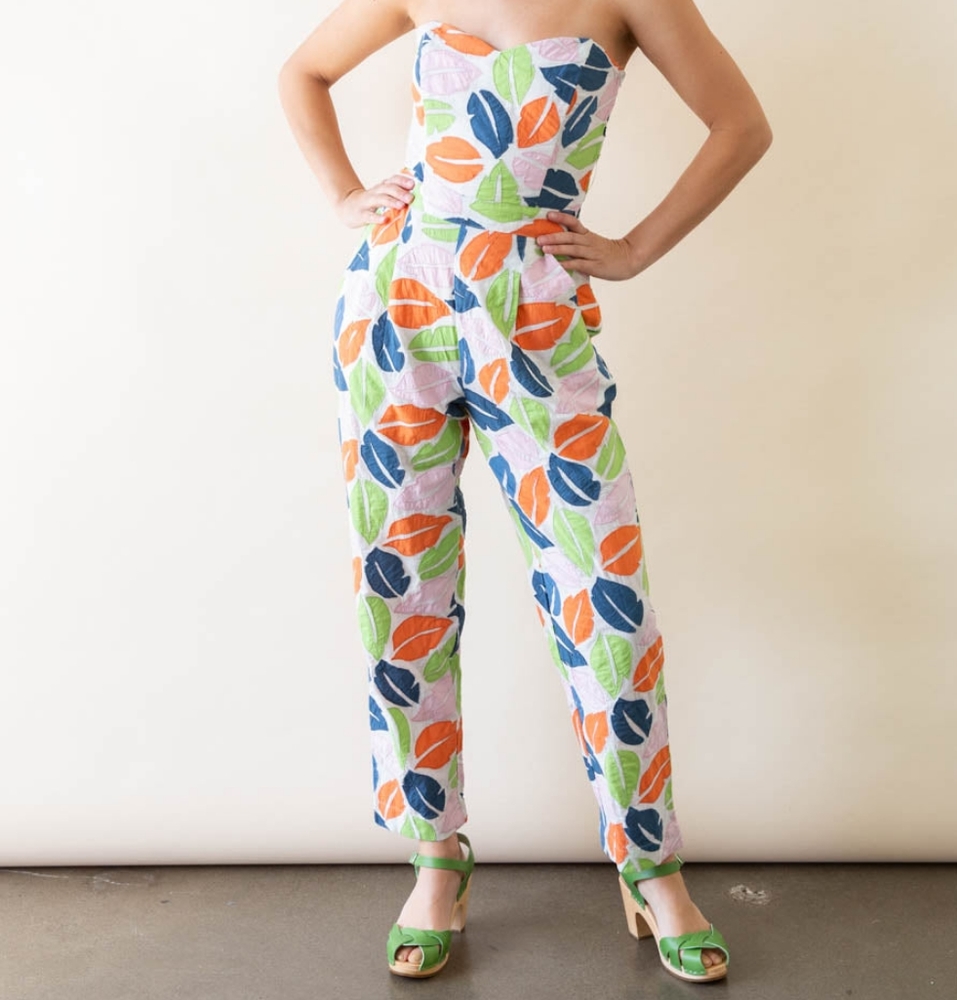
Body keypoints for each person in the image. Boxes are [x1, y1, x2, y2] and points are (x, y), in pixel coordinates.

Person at [278, 0, 772, 984]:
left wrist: (632, 248)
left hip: (537, 315)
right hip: (396, 305)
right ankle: (435, 855)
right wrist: (344, 195)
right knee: (402, 583)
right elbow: (302, 72)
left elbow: (741, 126)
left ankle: (651, 864)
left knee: (604, 597)